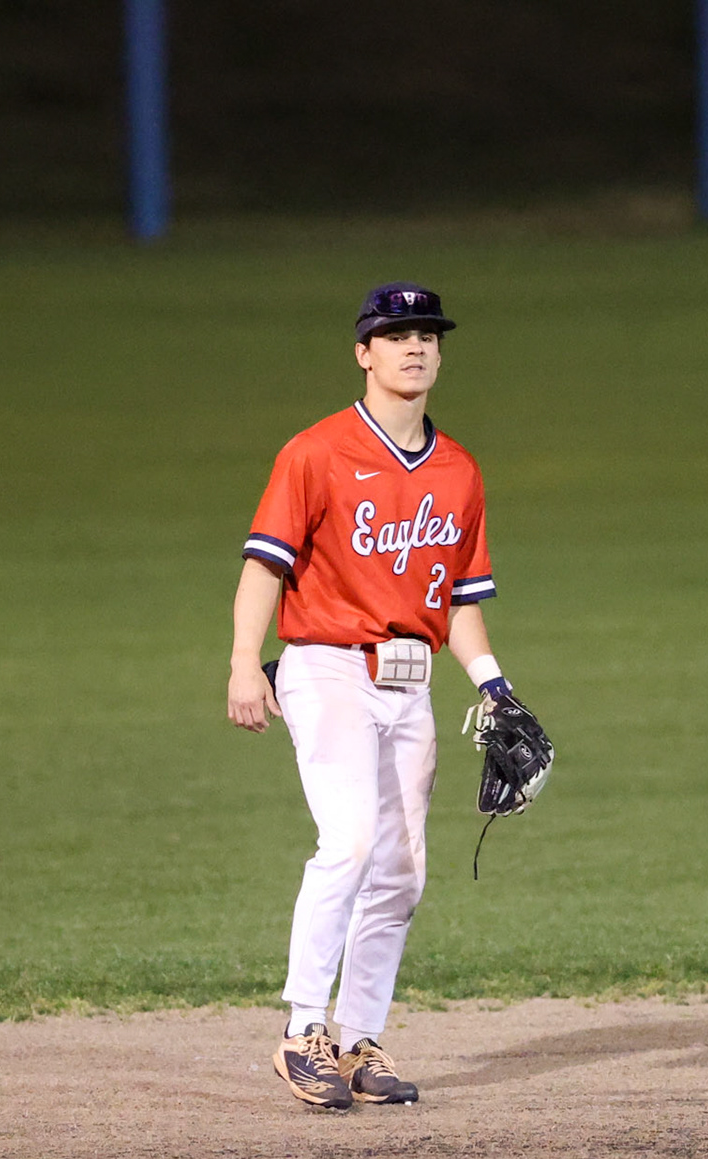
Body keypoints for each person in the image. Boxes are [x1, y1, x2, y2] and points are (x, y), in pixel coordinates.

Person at [226, 283, 515, 1109]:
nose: (415, 347)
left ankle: (358, 1042)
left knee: (400, 870)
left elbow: (458, 600)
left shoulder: (458, 469)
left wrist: (494, 686)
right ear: (364, 352)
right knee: (348, 842)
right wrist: (248, 661)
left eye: (428, 334)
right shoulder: (316, 452)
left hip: (410, 682)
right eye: (396, 335)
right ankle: (301, 1032)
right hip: (323, 665)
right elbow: (264, 566)